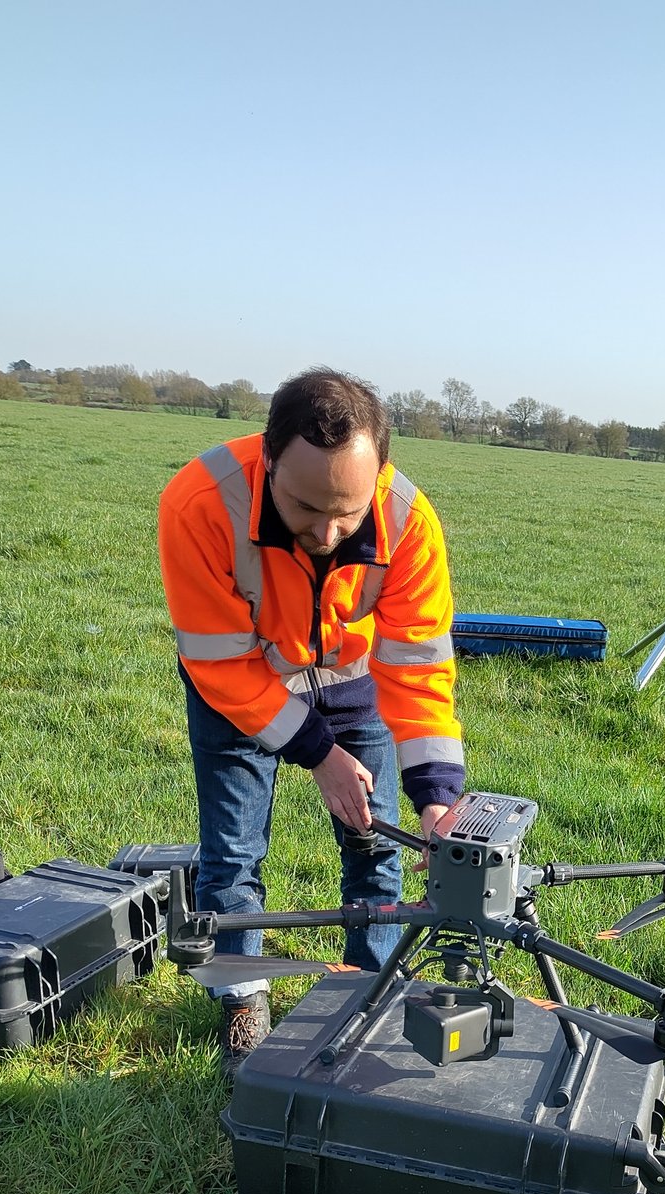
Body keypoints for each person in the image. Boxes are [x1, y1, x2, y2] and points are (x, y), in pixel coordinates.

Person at [158, 368, 464, 1072]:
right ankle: (243, 1001)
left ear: (378, 475)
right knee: (232, 857)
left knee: (375, 849)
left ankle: (368, 991)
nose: (326, 532)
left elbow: (418, 670)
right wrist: (319, 754)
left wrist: (437, 796)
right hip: (239, 690)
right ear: (268, 458)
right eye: (304, 507)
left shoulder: (409, 521)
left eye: (347, 514)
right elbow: (220, 663)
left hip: (353, 688)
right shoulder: (199, 502)